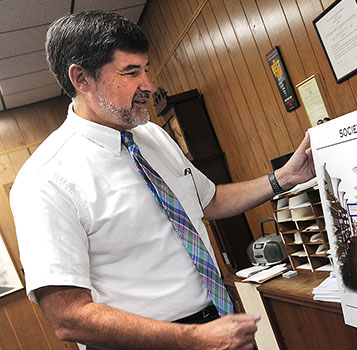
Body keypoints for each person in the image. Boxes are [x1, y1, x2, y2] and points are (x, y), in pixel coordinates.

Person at [10, 10, 315, 350]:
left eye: (146, 69)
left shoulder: (152, 135)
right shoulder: (45, 180)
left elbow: (208, 202)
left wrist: (284, 178)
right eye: (130, 72)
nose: (148, 85)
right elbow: (68, 317)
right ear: (81, 79)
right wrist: (194, 340)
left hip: (217, 320)